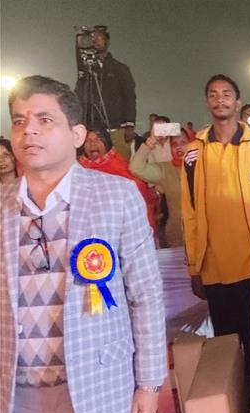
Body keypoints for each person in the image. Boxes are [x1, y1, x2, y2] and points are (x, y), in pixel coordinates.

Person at [0, 75, 166, 413]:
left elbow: (146, 295)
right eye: (19, 121)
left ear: (77, 134)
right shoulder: (2, 204)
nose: (29, 130)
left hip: (99, 387)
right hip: (15, 398)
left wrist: (150, 382)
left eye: (45, 119)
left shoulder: (117, 195)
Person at [181, 74, 250, 379]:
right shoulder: (194, 152)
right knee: (227, 350)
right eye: (213, 94)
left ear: (238, 102)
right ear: (207, 102)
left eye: (226, 94)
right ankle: (234, 403)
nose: (220, 100)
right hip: (215, 268)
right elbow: (189, 212)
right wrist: (195, 267)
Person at [79, 127, 158, 233]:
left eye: (98, 139)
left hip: (120, 228)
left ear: (107, 143)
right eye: (88, 140)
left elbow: (140, 202)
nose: (92, 143)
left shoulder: (121, 168)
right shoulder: (76, 170)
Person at [74, 27, 137, 157]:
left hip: (115, 127)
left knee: (119, 161)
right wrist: (80, 38)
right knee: (92, 163)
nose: (95, 40)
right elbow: (80, 57)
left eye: (99, 37)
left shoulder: (120, 68)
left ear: (107, 41)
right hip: (91, 127)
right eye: (92, 38)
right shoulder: (87, 68)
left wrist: (130, 125)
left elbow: (129, 97)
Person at [130, 127, 194, 248]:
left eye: (183, 142)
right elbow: (136, 168)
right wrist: (151, 141)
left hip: (205, 236)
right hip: (177, 237)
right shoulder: (165, 170)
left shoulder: (204, 167)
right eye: (174, 144)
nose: (178, 147)